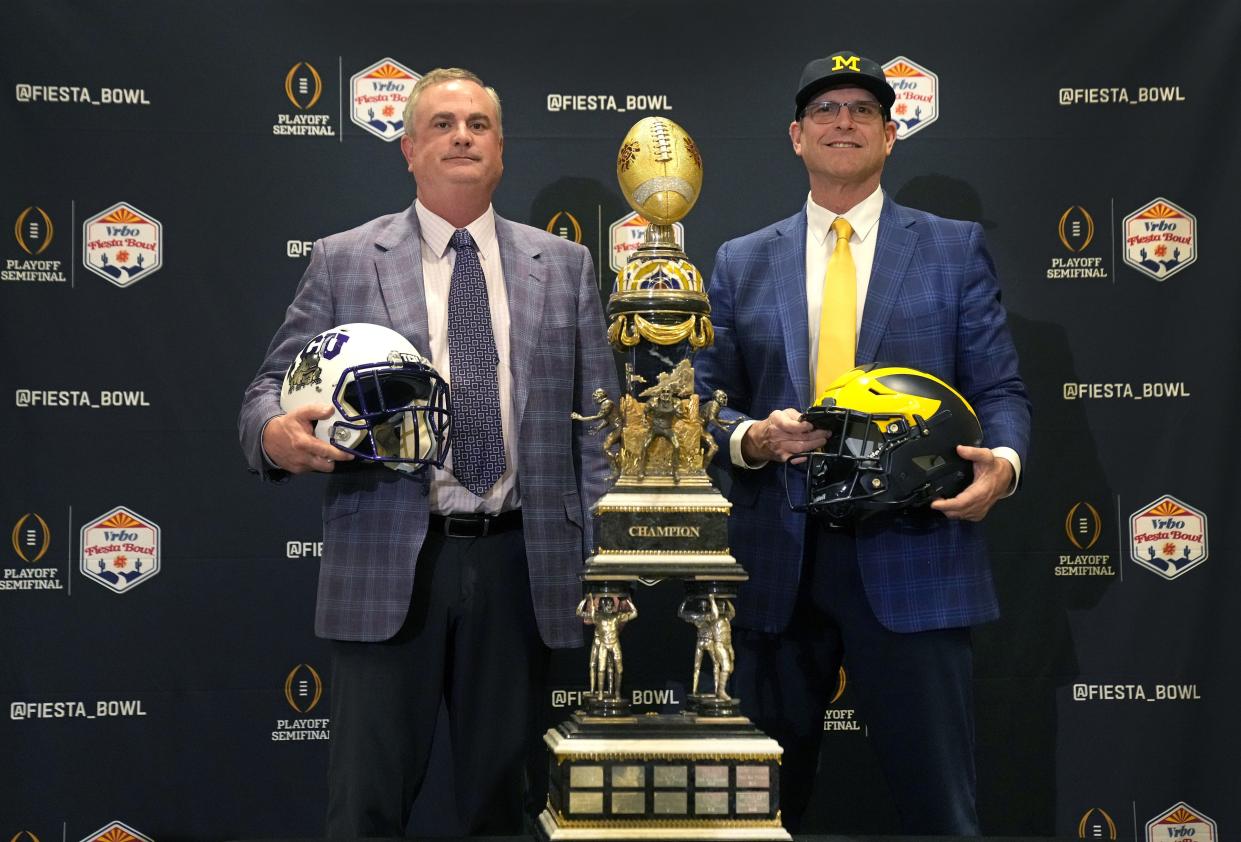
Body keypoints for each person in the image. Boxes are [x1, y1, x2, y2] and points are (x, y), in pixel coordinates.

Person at [238, 67, 617, 837]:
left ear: (501, 151)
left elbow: (597, 428)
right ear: (409, 149)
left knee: (503, 806)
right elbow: (266, 391)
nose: (462, 136)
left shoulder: (565, 266)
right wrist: (274, 436)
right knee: (366, 804)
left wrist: (604, 560)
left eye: (478, 124)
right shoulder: (344, 258)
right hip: (388, 564)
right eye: (442, 124)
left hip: (523, 565)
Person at [694, 50, 1031, 835]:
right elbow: (704, 400)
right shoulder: (741, 261)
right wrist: (748, 437)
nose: (841, 121)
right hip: (778, 556)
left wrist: (1002, 468)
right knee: (757, 813)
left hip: (914, 547)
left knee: (940, 809)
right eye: (824, 109)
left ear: (888, 135)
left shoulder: (952, 247)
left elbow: (1000, 390)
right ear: (794, 136)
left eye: (861, 111)